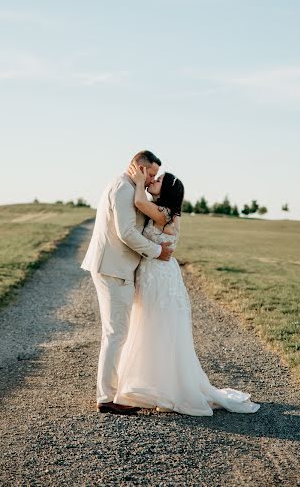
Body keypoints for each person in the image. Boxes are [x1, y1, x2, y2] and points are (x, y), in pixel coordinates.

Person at [113, 163, 261, 416]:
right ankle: (152, 384)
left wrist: (139, 182)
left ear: (167, 190)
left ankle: (166, 388)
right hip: (156, 272)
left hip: (159, 276)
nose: (152, 181)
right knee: (150, 325)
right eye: (153, 177)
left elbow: (138, 202)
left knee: (157, 326)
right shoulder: (166, 211)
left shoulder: (164, 213)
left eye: (157, 179)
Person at [81, 150, 174, 415]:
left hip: (116, 267)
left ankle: (112, 392)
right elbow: (126, 232)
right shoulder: (123, 188)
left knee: (117, 332)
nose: (152, 180)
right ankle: (107, 398)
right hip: (113, 268)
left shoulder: (129, 187)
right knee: (116, 333)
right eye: (151, 174)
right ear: (138, 167)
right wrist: (158, 252)